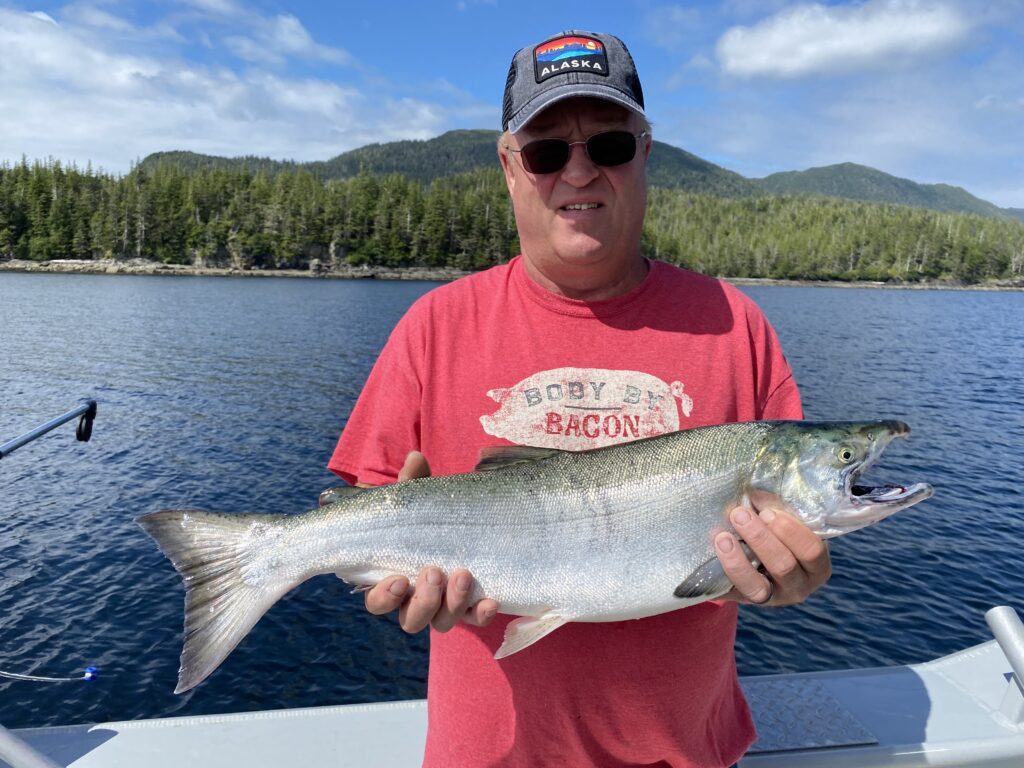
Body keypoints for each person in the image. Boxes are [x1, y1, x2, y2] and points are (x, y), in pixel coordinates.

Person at [328, 30, 831, 768]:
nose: (580, 171)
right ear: (509, 166)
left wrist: (786, 577)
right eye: (546, 152)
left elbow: (782, 528)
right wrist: (401, 579)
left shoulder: (736, 324)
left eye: (610, 145)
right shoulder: (434, 325)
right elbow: (363, 515)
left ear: (645, 154)